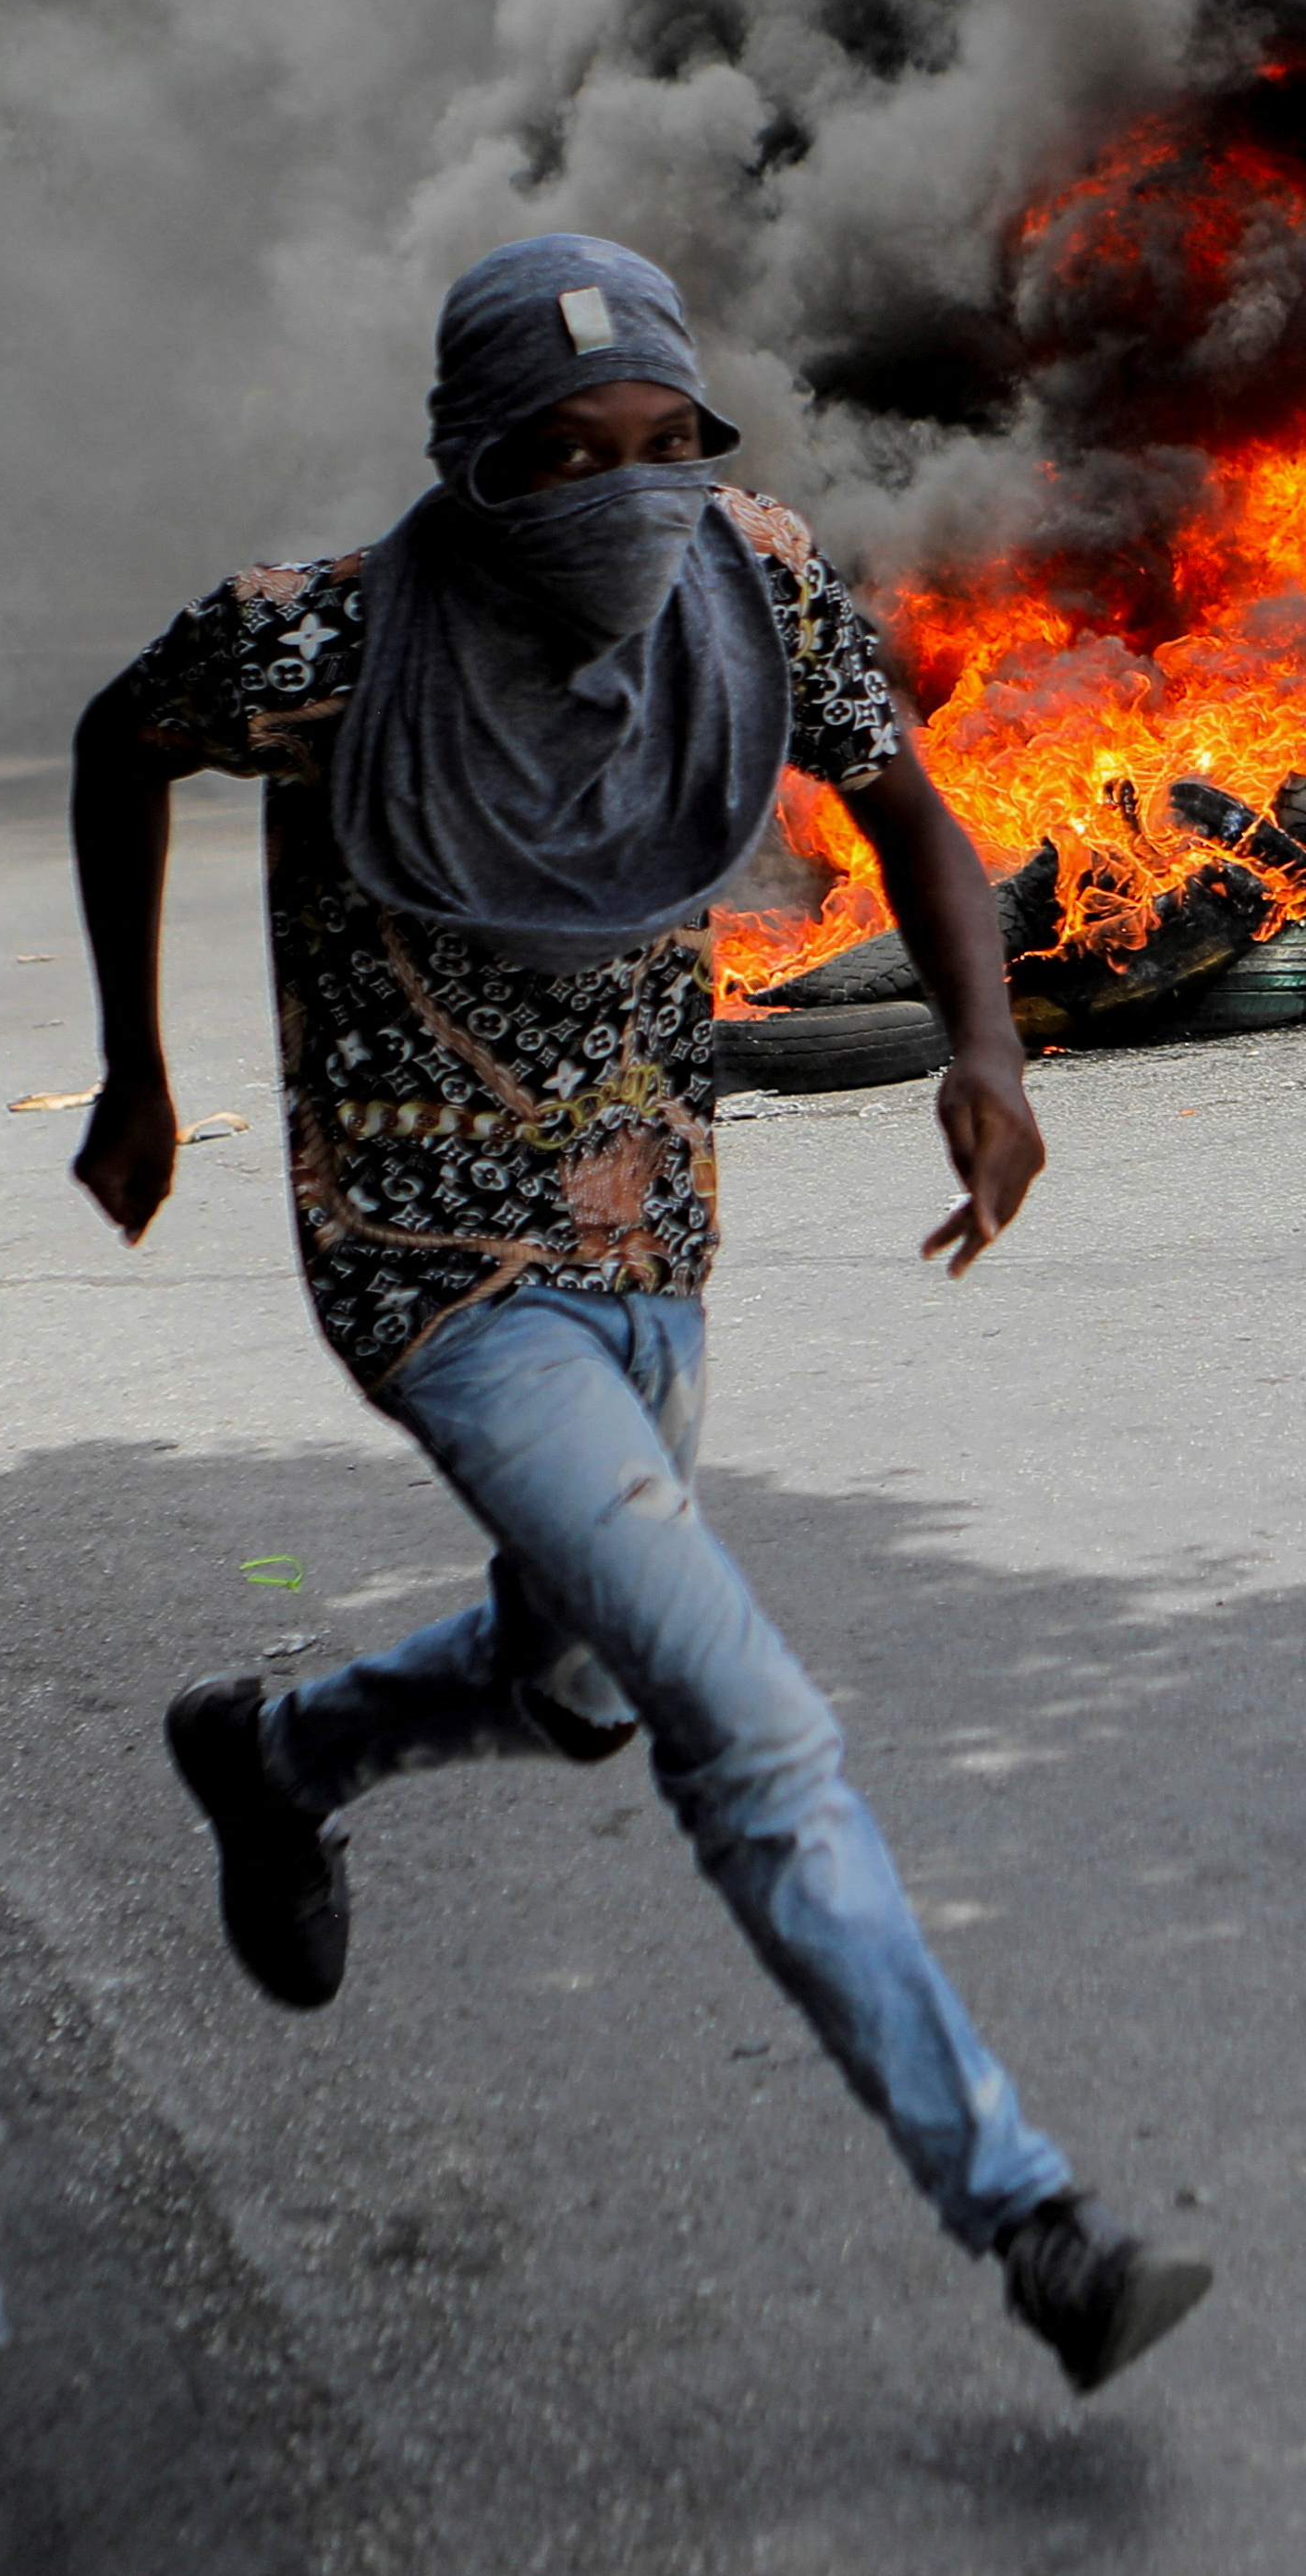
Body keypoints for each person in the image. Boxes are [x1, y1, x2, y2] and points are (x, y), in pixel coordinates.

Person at [63, 232, 1212, 2398]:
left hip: (651, 1237)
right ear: (467, 464)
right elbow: (121, 737)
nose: (619, 491)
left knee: (577, 1675)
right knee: (744, 1724)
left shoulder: (754, 587)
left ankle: (276, 1746)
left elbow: (911, 815)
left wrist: (984, 1046)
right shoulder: (312, 643)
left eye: (659, 445)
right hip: (432, 1268)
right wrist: (132, 1058)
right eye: (558, 455)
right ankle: (1034, 2219)